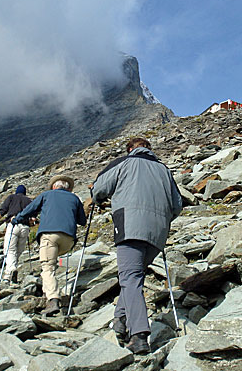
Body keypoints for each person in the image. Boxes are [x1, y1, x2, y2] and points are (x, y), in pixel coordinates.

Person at [91, 137, 182, 354]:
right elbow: (177, 205)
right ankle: (120, 322)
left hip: (129, 226)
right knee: (134, 276)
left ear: (130, 149)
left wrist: (95, 195)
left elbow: (99, 190)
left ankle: (139, 335)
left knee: (129, 278)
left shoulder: (124, 162)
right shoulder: (164, 170)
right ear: (149, 149)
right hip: (158, 232)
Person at [13, 175, 86, 315]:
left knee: (47, 268)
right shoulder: (75, 198)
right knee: (51, 265)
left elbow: (30, 209)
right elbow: (82, 221)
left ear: (54, 186)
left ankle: (53, 299)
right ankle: (48, 295)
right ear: (68, 188)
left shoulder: (47, 195)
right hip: (68, 239)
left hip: (49, 235)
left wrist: (17, 219)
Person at [0, 184, 32, 283]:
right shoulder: (28, 201)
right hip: (25, 227)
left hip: (13, 225)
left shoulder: (11, 198)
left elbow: (3, 210)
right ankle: (9, 274)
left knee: (9, 250)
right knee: (19, 250)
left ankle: (10, 271)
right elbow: (33, 217)